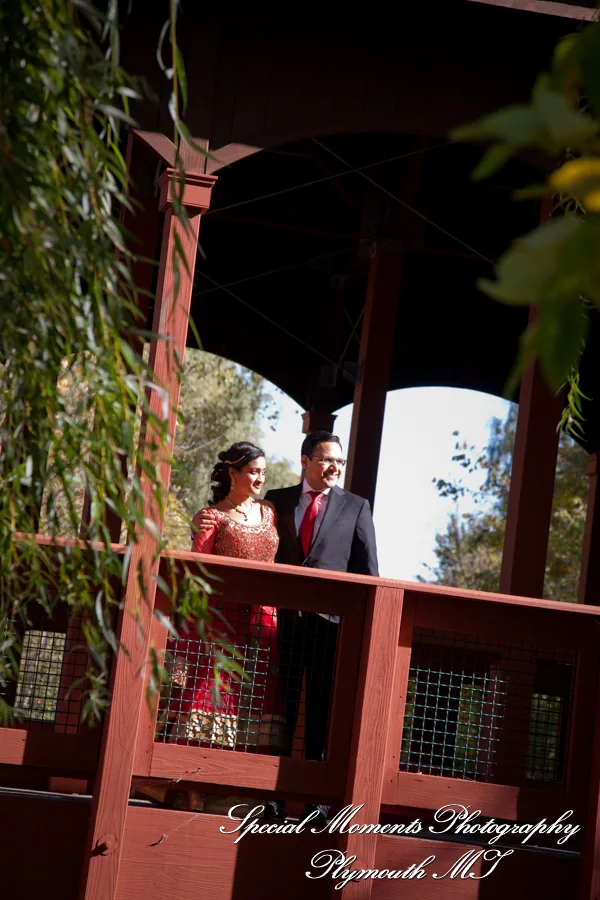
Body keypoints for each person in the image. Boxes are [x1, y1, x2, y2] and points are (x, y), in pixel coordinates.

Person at [194, 430, 379, 824]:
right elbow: (242, 529)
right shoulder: (276, 502)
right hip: (279, 626)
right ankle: (268, 797)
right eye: (327, 460)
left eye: (340, 463)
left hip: (330, 628)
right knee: (278, 709)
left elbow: (369, 571)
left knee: (321, 715)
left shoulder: (357, 507)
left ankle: (316, 801)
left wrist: (361, 630)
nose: (334, 468)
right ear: (306, 461)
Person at [156, 441, 285, 814]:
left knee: (255, 700)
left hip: (262, 625)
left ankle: (242, 795)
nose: (260, 478)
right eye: (253, 471)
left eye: (263, 471)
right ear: (232, 473)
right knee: (210, 697)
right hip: (220, 624)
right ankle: (191, 789)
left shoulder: (270, 513)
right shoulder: (211, 517)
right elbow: (197, 573)